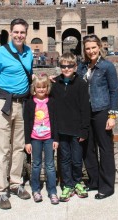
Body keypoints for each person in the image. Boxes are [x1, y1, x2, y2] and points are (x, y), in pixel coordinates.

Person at [0, 18, 33, 209]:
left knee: (19, 147)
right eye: (16, 32)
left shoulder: (29, 52)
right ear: (11, 32)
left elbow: (27, 76)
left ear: (26, 33)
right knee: (2, 149)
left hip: (22, 104)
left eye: (22, 32)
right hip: (2, 104)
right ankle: (0, 191)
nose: (19, 35)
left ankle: (15, 184)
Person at [77, 34, 118, 200]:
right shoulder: (82, 67)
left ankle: (107, 186)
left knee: (105, 149)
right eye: (87, 48)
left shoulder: (107, 67)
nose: (91, 51)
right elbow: (72, 81)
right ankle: (94, 181)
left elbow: (114, 91)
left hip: (102, 111)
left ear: (99, 47)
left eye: (93, 47)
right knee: (87, 149)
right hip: (86, 113)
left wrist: (113, 115)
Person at [50, 52, 90, 202]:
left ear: (75, 67)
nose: (66, 69)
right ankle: (67, 184)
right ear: (59, 67)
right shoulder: (55, 84)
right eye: (63, 66)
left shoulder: (81, 84)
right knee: (64, 158)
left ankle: (77, 181)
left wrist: (84, 129)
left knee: (77, 158)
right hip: (61, 129)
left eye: (70, 66)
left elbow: (85, 108)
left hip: (76, 129)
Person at [23, 74, 59, 205]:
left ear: (48, 88)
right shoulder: (30, 102)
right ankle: (36, 190)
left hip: (49, 138)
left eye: (44, 87)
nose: (41, 90)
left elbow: (55, 121)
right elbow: (27, 123)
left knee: (50, 165)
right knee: (36, 164)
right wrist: (27, 141)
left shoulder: (52, 101)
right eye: (38, 87)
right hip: (35, 138)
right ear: (34, 88)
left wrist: (56, 138)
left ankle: (52, 191)